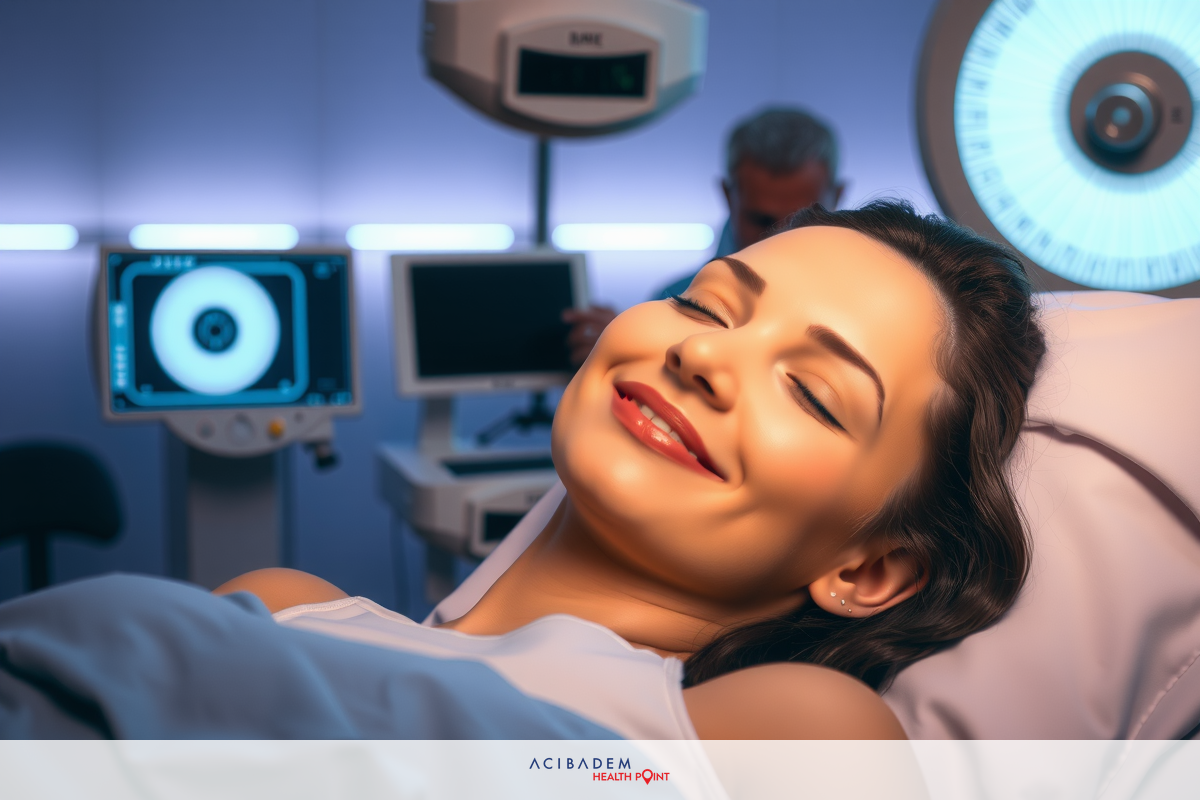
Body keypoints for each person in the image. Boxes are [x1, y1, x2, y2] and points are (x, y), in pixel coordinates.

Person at [221, 200, 1047, 740]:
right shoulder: (282, 606)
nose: (703, 355)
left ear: (868, 571)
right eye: (705, 304)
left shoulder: (792, 730)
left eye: (811, 392)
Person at [563, 107, 846, 365]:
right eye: (762, 221)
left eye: (802, 222)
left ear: (839, 196)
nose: (781, 240)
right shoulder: (670, 301)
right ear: (727, 195)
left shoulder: (863, 310)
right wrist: (627, 354)